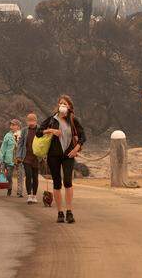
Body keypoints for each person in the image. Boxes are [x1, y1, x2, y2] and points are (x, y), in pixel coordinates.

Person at [37, 95, 86, 224]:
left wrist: (76, 148)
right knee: (57, 182)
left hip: (68, 155)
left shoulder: (73, 120)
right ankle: (60, 212)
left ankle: (69, 211)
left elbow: (82, 136)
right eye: (60, 103)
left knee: (68, 182)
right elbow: (38, 132)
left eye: (65, 104)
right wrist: (52, 130)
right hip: (53, 155)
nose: (62, 106)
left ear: (69, 107)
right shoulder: (52, 119)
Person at [18, 113, 39, 204]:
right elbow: (20, 143)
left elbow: (44, 143)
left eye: (32, 121)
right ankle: (29, 195)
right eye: (29, 121)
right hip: (26, 157)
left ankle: (34, 195)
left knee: (35, 177)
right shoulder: (24, 130)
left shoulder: (40, 130)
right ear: (27, 121)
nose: (31, 123)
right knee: (28, 175)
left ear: (36, 121)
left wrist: (44, 155)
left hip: (36, 157)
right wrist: (18, 156)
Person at [0, 119, 21, 197]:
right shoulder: (7, 135)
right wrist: (1, 157)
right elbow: (3, 147)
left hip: (16, 159)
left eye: (13, 125)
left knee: (13, 175)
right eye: (11, 125)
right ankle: (6, 186)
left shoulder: (20, 135)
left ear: (18, 126)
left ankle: (14, 189)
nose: (11, 127)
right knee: (5, 174)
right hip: (7, 159)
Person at [13, 125, 24, 198]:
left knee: (21, 175)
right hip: (20, 158)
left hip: (24, 158)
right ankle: (20, 191)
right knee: (20, 175)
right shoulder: (16, 135)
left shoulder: (20, 134)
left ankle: (20, 191)